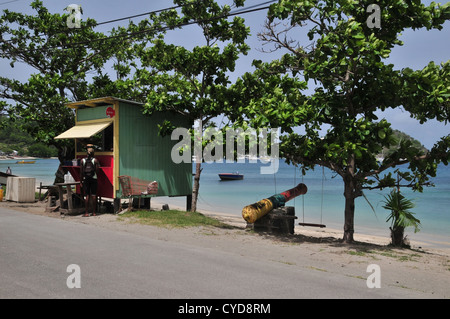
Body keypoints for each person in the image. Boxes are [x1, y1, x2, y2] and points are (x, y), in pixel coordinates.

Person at [80, 144, 99, 217]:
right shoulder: (95, 160)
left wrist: (81, 181)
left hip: (86, 179)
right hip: (94, 179)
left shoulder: (82, 160)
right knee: (94, 195)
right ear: (93, 153)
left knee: (87, 195)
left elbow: (81, 172)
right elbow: (97, 171)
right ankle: (94, 212)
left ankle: (86, 212)